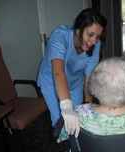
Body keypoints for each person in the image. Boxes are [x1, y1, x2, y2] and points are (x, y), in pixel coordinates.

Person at [37, 8, 107, 138]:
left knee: (79, 118)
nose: (93, 41)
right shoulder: (60, 36)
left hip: (75, 82)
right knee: (62, 122)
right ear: (78, 29)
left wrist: (87, 106)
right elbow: (58, 72)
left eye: (97, 37)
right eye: (90, 34)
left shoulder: (96, 45)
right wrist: (66, 106)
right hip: (53, 82)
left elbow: (89, 77)